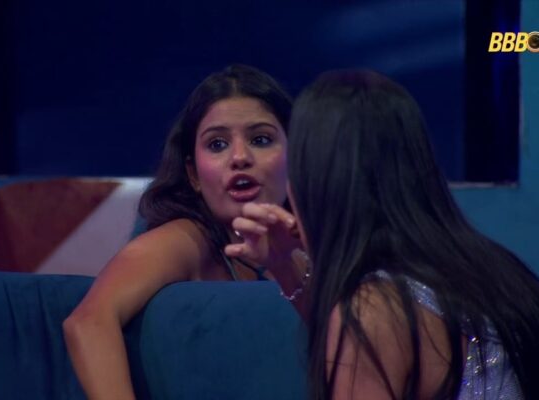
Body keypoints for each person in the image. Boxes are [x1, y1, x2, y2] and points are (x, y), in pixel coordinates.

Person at [230, 70, 539, 399]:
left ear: (318, 185)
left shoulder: (373, 310)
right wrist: (283, 265)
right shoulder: (499, 271)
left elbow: (368, 336)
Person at [63, 64, 305, 400]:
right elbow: (88, 322)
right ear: (193, 174)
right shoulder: (185, 239)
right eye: (217, 144)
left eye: (260, 139)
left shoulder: (313, 241)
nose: (239, 157)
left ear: (295, 156)